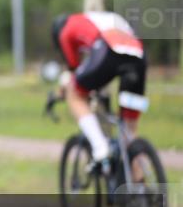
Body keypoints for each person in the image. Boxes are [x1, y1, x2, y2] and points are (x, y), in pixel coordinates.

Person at [51, 11, 147, 166]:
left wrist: (61, 91)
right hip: (138, 56)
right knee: (130, 134)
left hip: (109, 49)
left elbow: (73, 70)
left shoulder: (65, 30)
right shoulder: (97, 18)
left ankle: (100, 147)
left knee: (74, 94)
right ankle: (140, 184)